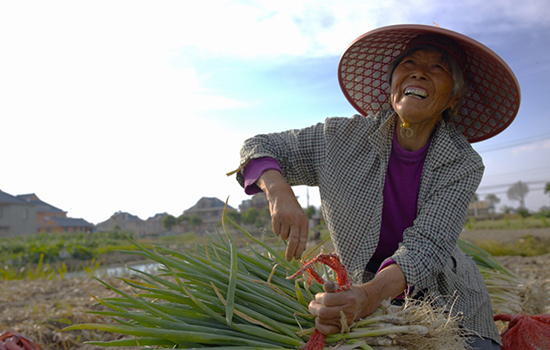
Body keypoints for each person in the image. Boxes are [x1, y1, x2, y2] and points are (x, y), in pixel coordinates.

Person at [231, 24, 520, 349]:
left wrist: (370, 297)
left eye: (437, 67)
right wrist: (278, 190)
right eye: (409, 64)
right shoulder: (339, 139)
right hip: (357, 284)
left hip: (446, 297)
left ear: (453, 98)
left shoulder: (461, 162)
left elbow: (427, 246)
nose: (419, 74)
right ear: (392, 85)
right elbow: (259, 145)